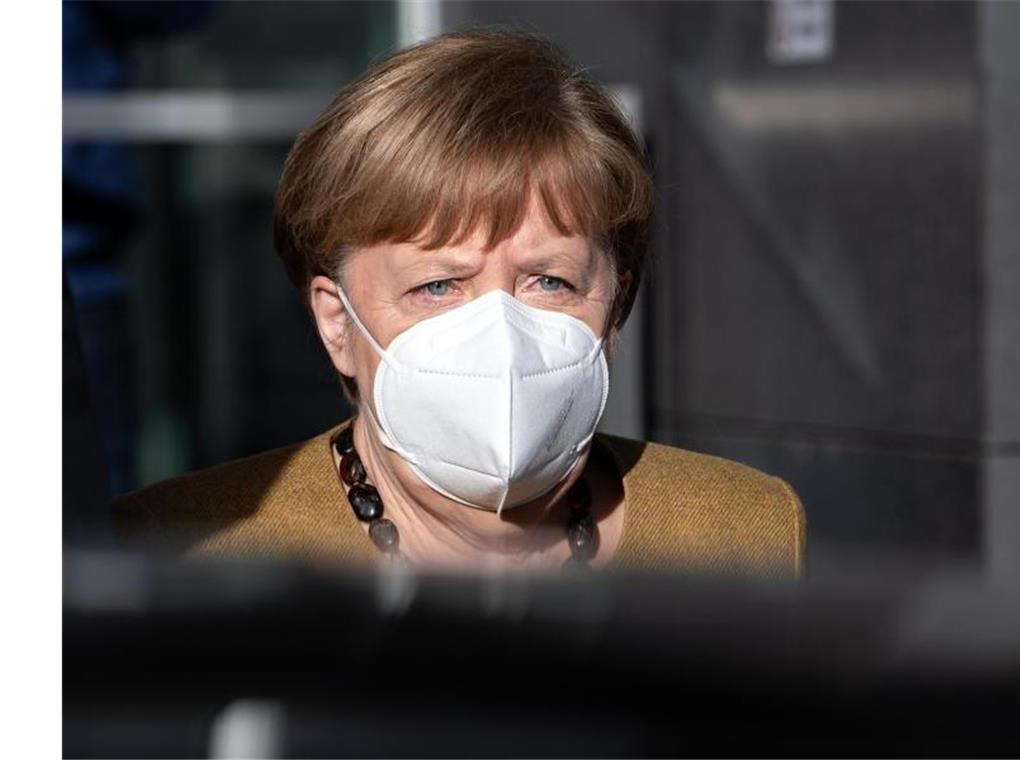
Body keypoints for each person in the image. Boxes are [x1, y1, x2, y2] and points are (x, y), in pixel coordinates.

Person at [112, 30, 805, 576]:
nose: (499, 331)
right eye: (438, 285)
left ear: (615, 305)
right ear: (336, 319)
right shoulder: (186, 548)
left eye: (550, 281)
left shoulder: (742, 534)